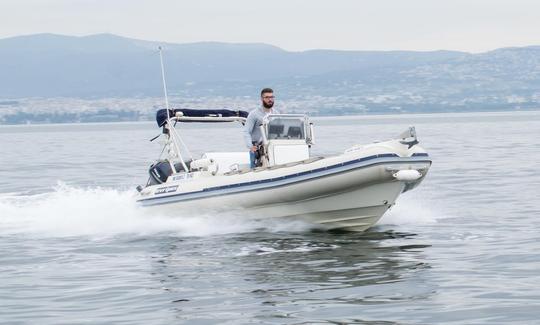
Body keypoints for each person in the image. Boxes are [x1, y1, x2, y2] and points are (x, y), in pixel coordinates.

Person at [243, 88, 280, 168]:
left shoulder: (276, 113)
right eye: (267, 97)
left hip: (273, 148)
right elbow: (247, 132)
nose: (270, 99)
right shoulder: (254, 114)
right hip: (258, 150)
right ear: (262, 99)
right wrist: (250, 146)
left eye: (271, 97)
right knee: (255, 172)